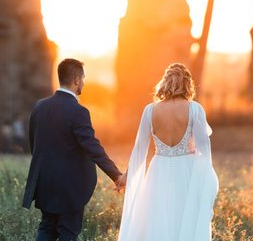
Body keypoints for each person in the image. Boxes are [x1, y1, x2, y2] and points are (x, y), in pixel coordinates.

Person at [22, 58, 123, 241]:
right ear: (76, 79)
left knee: (46, 228)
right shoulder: (78, 112)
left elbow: (35, 144)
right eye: (83, 78)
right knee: (68, 233)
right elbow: (93, 148)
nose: (83, 82)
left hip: (45, 182)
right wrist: (117, 175)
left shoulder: (39, 107)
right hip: (70, 188)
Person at [117, 63, 219, 241]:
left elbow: (140, 150)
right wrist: (205, 180)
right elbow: (205, 150)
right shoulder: (195, 109)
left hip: (159, 170)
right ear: (187, 83)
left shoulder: (150, 110)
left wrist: (127, 175)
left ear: (165, 82)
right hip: (186, 169)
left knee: (158, 218)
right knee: (184, 219)